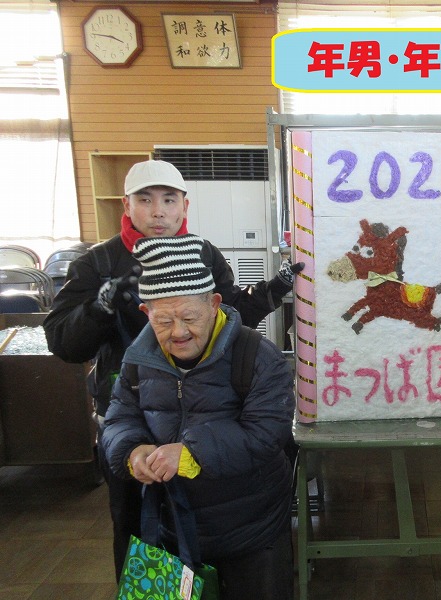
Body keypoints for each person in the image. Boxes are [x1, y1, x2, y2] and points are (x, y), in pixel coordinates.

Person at [43, 159, 302, 580]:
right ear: (127, 205)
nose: (158, 212)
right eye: (145, 200)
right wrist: (101, 307)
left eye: (168, 200)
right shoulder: (98, 263)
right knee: (139, 529)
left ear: (184, 205)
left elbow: (230, 316)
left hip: (210, 410)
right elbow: (63, 343)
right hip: (136, 413)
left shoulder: (203, 253)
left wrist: (273, 290)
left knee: (221, 520)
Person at [102, 234, 296, 600]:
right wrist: (131, 451)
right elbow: (118, 419)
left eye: (189, 317)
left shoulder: (257, 355)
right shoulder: (138, 359)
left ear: (214, 304)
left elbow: (267, 434)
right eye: (163, 320)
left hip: (251, 528)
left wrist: (191, 454)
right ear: (146, 312)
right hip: (173, 528)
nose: (178, 332)